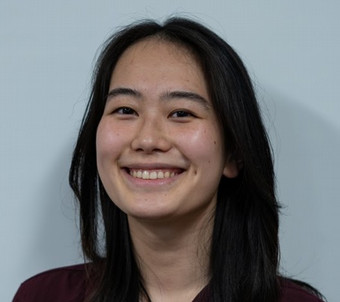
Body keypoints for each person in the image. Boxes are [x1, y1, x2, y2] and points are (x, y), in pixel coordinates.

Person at [13, 17, 325, 302]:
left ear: (234, 152)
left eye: (181, 113)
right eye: (125, 110)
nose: (147, 140)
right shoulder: (41, 296)